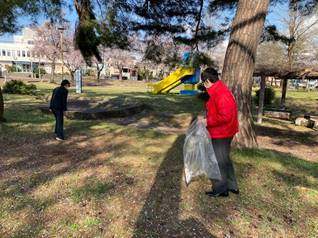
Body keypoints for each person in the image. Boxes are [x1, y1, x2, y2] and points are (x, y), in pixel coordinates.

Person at [199, 68, 239, 197]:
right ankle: (232, 186)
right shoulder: (218, 90)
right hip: (224, 131)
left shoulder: (220, 93)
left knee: (218, 161)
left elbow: (225, 116)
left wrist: (207, 121)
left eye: (204, 82)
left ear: (207, 81)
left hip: (222, 133)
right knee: (224, 158)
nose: (204, 85)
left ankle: (221, 190)